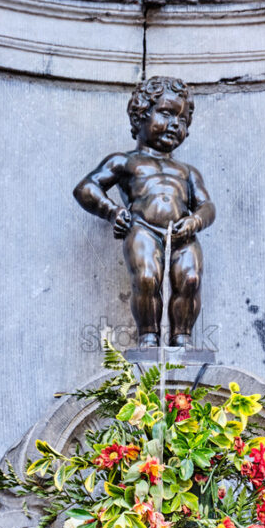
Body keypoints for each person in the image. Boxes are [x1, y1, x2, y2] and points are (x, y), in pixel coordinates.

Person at [73, 76, 215, 348]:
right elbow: (86, 188)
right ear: (141, 115)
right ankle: (148, 337)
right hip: (142, 228)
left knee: (190, 278)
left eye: (183, 120)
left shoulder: (186, 171)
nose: (176, 123)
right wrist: (112, 212)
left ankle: (182, 339)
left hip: (183, 233)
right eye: (166, 113)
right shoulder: (125, 161)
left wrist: (195, 221)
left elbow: (208, 206)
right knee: (147, 277)